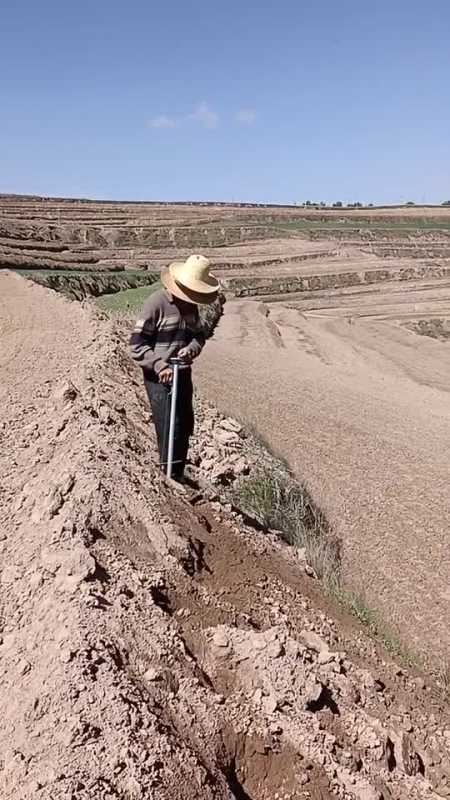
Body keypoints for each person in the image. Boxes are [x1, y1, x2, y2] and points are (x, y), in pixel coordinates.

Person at [130, 254, 219, 480]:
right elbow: (137, 344)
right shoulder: (156, 304)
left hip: (182, 372)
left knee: (185, 423)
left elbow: (199, 336)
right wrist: (160, 366)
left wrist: (191, 349)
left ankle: (177, 472)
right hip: (159, 377)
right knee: (168, 424)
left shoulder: (191, 307)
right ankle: (167, 475)